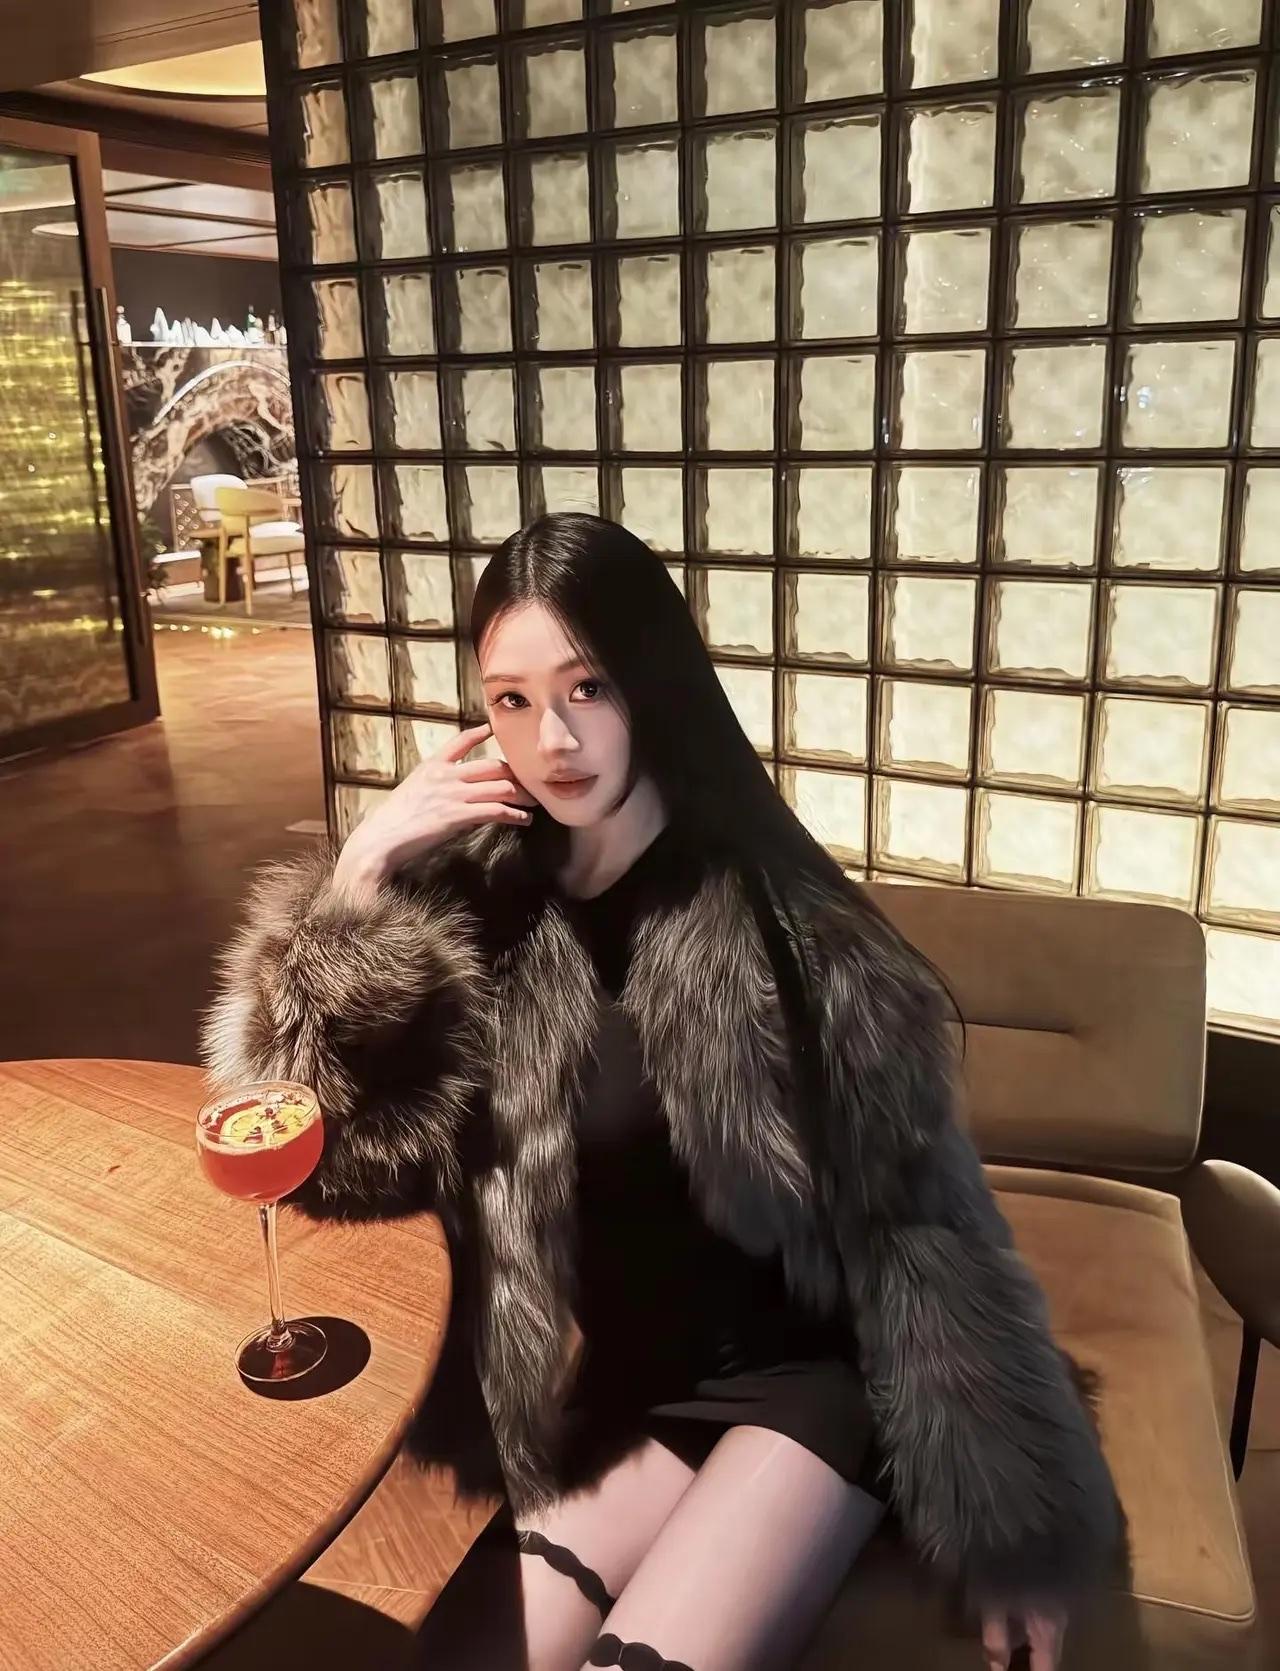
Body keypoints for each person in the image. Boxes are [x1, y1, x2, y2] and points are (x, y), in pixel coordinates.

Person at [203, 513, 1122, 1671]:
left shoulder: (795, 939)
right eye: (511, 699)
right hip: (636, 1379)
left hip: (808, 1376)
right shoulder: (474, 912)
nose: (553, 738)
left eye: (586, 686)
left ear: (650, 681)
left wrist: (1014, 1525)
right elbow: (327, 1169)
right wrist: (355, 885)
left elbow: (925, 1231)